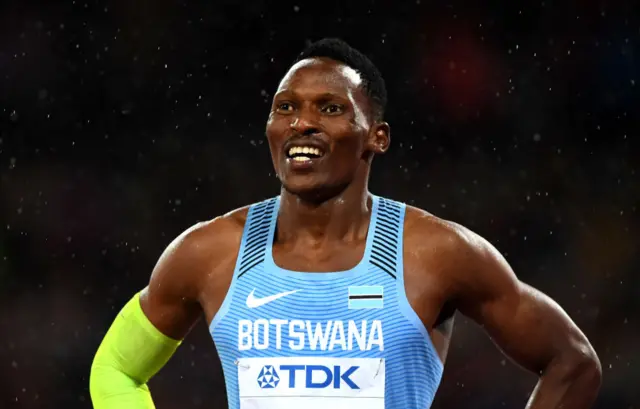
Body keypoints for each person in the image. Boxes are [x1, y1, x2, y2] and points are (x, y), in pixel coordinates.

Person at [89, 38, 601, 409]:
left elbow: (572, 362)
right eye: (285, 108)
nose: (301, 123)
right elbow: (116, 370)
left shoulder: (435, 253)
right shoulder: (209, 253)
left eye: (329, 108)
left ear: (376, 137)